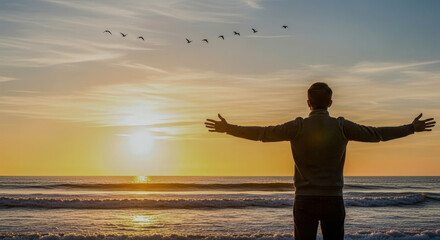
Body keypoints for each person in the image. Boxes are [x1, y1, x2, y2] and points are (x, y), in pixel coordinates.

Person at [204, 82, 436, 240]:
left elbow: (262, 133)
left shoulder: (298, 126)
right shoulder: (341, 126)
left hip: (304, 200)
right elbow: (377, 134)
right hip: (333, 200)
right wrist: (410, 128)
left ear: (308, 103)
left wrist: (228, 129)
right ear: (331, 103)